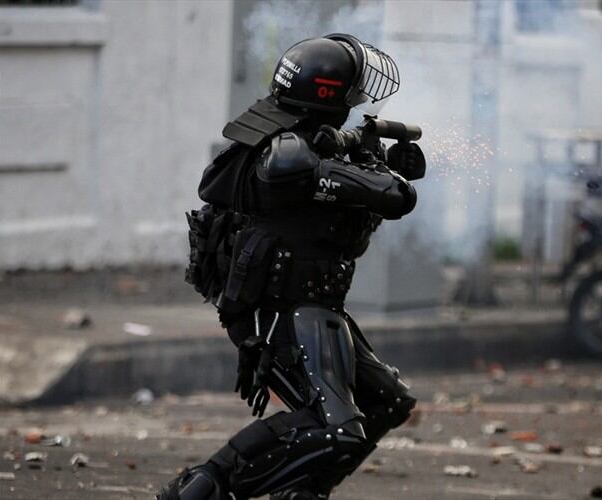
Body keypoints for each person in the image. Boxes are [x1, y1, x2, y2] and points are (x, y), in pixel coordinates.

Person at [158, 33, 425, 500]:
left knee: (387, 402)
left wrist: (372, 154)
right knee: (336, 427)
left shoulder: (307, 144)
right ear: (326, 95)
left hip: (314, 305)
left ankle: (300, 492)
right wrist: (380, 168)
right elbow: (394, 196)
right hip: (279, 311)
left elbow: (347, 200)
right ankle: (203, 488)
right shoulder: (286, 155)